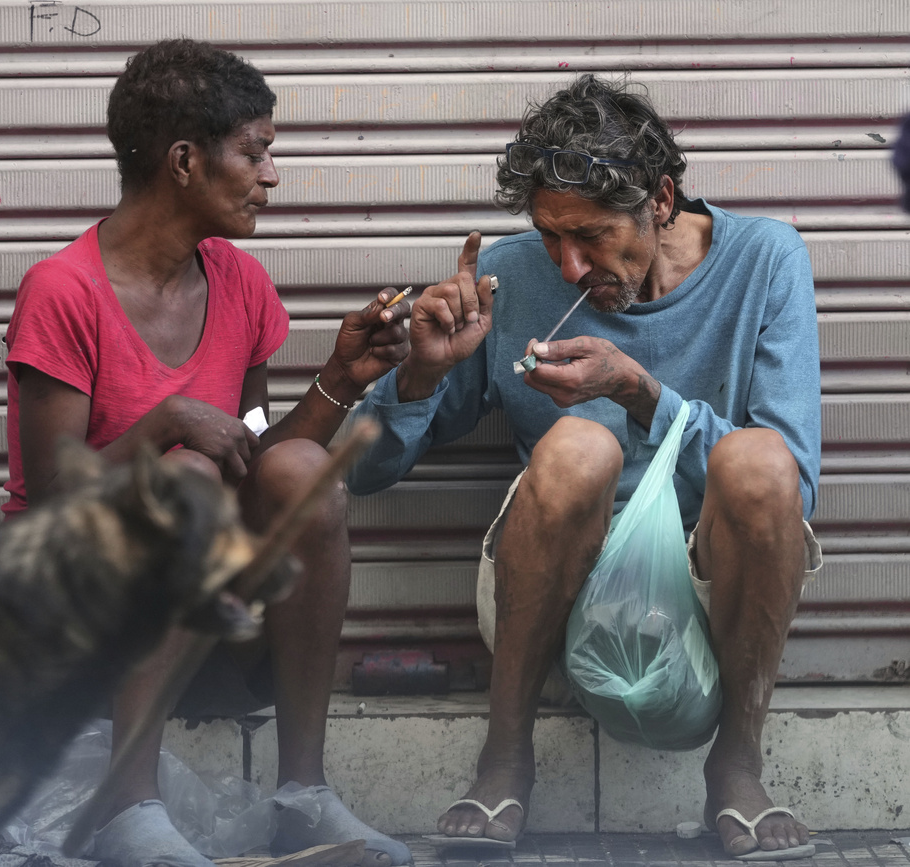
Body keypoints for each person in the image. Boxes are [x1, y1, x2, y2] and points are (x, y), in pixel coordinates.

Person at [346, 74, 822, 861]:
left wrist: (638, 390)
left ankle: (738, 765)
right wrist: (420, 376)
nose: (568, 268)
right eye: (548, 236)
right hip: (558, 593)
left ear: (661, 200)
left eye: (593, 236)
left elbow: (792, 484)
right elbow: (364, 477)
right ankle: (504, 757)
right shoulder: (511, 276)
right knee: (579, 444)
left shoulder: (766, 259)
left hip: (709, 603)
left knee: (759, 460)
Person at [4, 39, 414, 867]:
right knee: (183, 475)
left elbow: (256, 458)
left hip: (196, 612)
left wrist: (341, 377)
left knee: (302, 477)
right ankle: (127, 808)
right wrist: (164, 426)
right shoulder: (63, 291)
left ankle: (303, 794)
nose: (271, 177)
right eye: (256, 152)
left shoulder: (241, 284)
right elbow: (51, 501)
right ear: (185, 161)